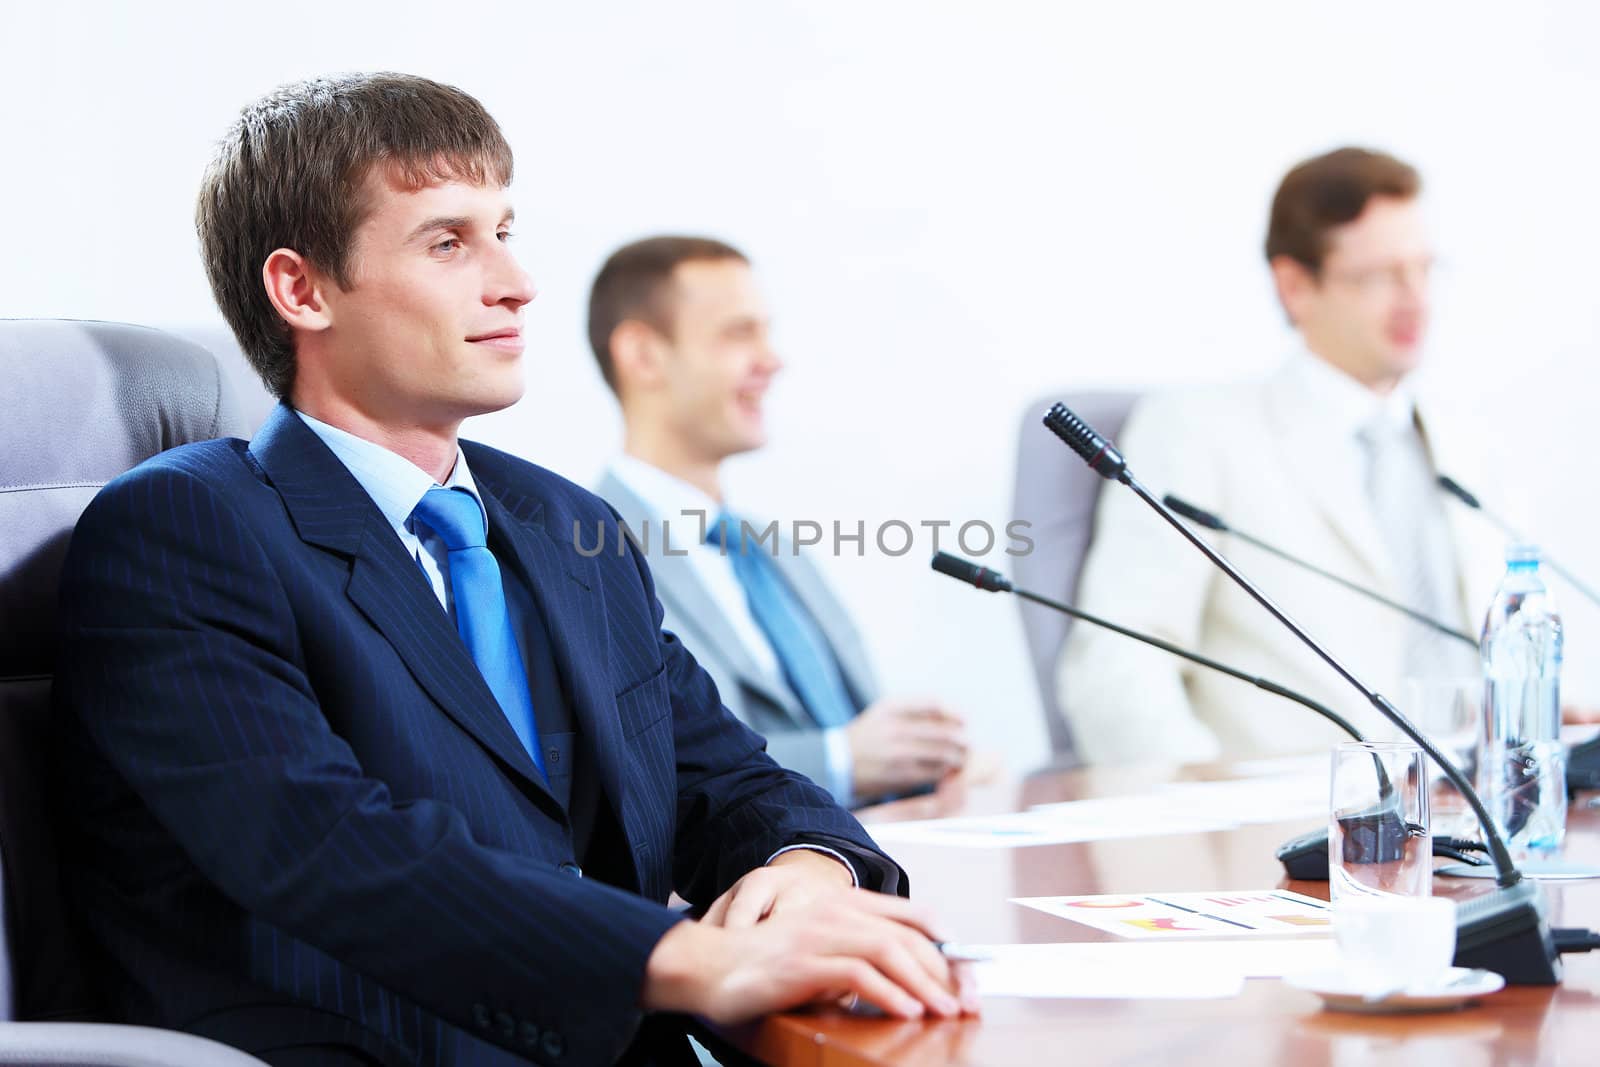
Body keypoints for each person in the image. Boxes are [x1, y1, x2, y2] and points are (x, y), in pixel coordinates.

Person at [52, 74, 974, 1067]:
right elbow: (327, 848)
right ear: (300, 289)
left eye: (505, 228)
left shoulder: (563, 523)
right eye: (448, 241)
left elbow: (722, 772)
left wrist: (809, 862)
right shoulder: (186, 527)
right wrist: (685, 957)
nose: (516, 280)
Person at [1056, 147, 1506, 764]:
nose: (1414, 299)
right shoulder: (1197, 430)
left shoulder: (1467, 441)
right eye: (1380, 276)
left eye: (1424, 269)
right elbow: (1117, 669)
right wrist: (1213, 822)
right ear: (1295, 285)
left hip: (1478, 814)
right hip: (1298, 829)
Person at [587, 236, 970, 807]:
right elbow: (643, 762)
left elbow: (859, 726)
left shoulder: (771, 549)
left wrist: (926, 763)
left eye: (766, 330)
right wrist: (843, 761)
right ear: (643, 355)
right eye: (738, 333)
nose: (772, 359)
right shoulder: (587, 556)